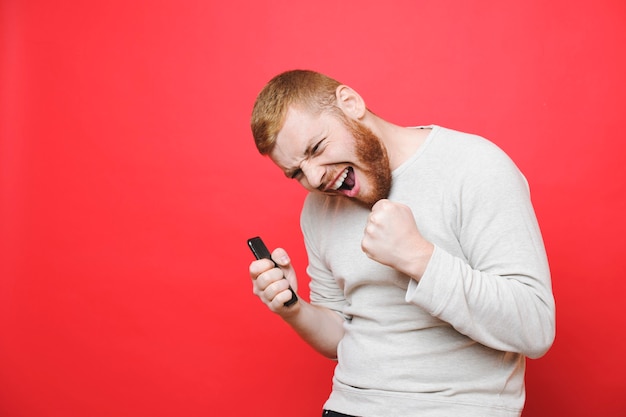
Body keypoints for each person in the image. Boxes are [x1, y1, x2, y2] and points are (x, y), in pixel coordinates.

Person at [247, 69, 555, 417]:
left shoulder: (475, 166)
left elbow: (535, 328)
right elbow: (340, 338)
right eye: (297, 173)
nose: (316, 178)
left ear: (350, 103)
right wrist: (295, 309)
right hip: (348, 407)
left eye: (316, 148)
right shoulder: (319, 209)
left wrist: (418, 258)